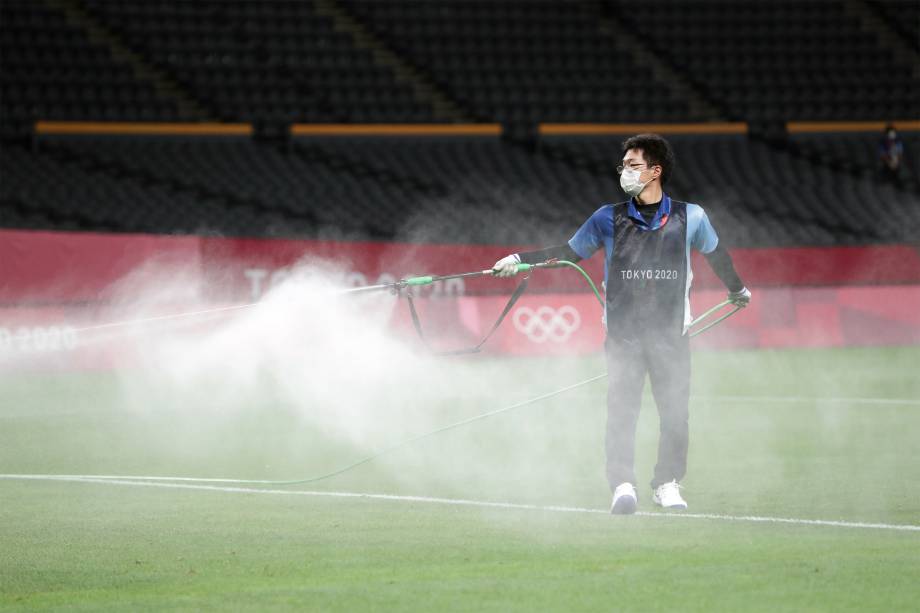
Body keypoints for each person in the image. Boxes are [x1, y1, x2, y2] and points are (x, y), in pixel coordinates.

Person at [492, 134, 751, 515]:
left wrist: (737, 289)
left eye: (633, 165)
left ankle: (667, 483)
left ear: (655, 170)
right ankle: (622, 484)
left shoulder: (691, 216)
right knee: (622, 412)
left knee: (675, 413)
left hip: (671, 335)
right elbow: (567, 254)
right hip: (623, 337)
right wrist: (520, 259)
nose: (625, 172)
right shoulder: (606, 218)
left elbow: (716, 255)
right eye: (623, 166)